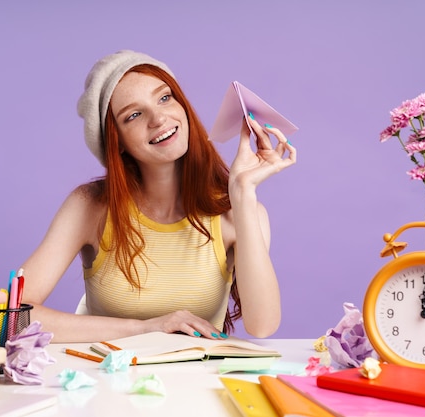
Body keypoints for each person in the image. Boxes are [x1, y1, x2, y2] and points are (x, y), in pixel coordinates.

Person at [21, 50, 296, 343]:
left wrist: (242, 194)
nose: (159, 118)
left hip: (198, 383)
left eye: (165, 98)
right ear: (117, 142)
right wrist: (146, 327)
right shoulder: (89, 206)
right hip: (104, 381)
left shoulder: (238, 212)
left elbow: (262, 326)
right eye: (134, 115)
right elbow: (9, 318)